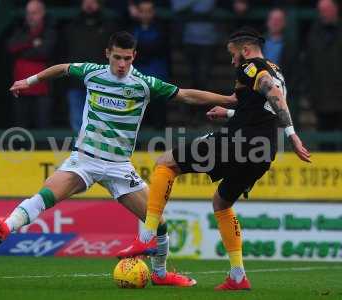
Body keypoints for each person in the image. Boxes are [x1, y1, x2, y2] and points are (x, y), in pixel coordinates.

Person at [0, 31, 236, 287]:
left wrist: (227, 100)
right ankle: (4, 228)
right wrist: (28, 81)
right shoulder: (92, 72)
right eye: (117, 58)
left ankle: (160, 275)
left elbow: (186, 95)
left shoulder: (144, 84)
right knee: (46, 196)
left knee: (159, 224)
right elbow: (62, 68)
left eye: (127, 59)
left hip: (119, 166)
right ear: (108, 54)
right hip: (85, 159)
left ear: (134, 56)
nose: (121, 64)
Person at [118, 27, 311, 291]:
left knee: (165, 162)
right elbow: (260, 112)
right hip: (263, 151)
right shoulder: (276, 69)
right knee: (221, 202)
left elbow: (271, 95)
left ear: (244, 51)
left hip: (239, 143)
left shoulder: (251, 67)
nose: (232, 61)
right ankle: (238, 276)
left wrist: (293, 135)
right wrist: (230, 114)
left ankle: (148, 236)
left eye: (233, 55)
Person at [64, 0, 117, 133]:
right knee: (77, 124)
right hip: (76, 83)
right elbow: (64, 54)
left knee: (100, 124)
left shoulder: (109, 27)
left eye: (93, 1)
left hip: (101, 84)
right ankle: (79, 152)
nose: (89, 4)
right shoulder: (72, 26)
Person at [7, 0, 56, 129]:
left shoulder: (51, 31)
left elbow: (45, 52)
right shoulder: (20, 30)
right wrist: (32, 42)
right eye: (28, 13)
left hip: (42, 88)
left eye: (34, 13)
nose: (30, 16)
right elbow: (11, 47)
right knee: (21, 127)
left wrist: (23, 50)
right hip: (21, 89)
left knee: (43, 126)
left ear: (42, 13)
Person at [306, 0, 342, 149]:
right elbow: (308, 65)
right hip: (321, 98)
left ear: (336, 9)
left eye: (327, 9)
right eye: (321, 10)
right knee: (325, 142)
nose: (324, 13)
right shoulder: (313, 33)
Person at [131, 0, 170, 129]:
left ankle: (159, 148)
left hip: (157, 82)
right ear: (137, 12)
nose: (145, 15)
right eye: (142, 11)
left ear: (153, 12)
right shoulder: (131, 28)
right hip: (136, 84)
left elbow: (158, 48)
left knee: (158, 120)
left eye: (148, 11)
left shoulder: (162, 29)